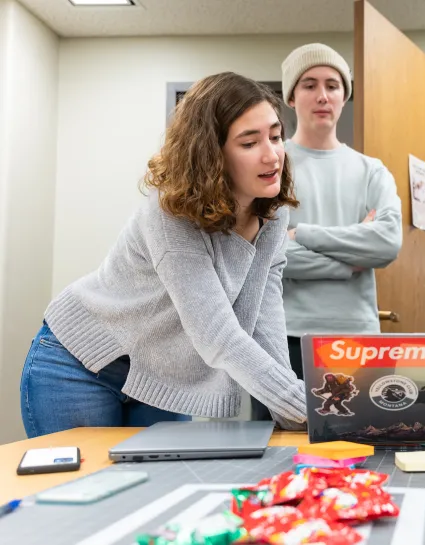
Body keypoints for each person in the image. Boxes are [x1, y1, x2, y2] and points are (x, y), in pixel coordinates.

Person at [19, 72, 307, 437]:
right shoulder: (171, 211)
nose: (272, 155)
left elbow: (264, 318)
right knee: (81, 491)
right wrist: (303, 407)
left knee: (158, 492)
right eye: (249, 143)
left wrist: (293, 412)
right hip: (78, 365)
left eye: (276, 136)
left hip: (160, 379)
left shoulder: (272, 215)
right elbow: (217, 333)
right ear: (211, 154)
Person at [250, 43, 402, 420]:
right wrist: (348, 262)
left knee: (361, 451)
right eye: (309, 84)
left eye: (333, 85)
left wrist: (300, 235)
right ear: (290, 96)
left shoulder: (371, 171)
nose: (322, 95)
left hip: (357, 339)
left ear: (344, 95)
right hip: (280, 336)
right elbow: (259, 254)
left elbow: (385, 244)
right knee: (277, 457)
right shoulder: (269, 163)